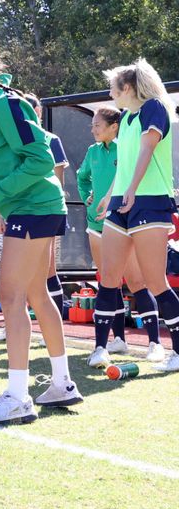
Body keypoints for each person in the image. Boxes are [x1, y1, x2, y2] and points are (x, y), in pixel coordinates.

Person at [0, 33, 82, 424]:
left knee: (10, 296)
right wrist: (2, 201)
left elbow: (41, 160)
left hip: (35, 206)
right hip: (29, 207)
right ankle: (62, 384)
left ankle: (17, 395)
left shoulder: (4, 103)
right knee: (36, 294)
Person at [93, 59, 179, 372]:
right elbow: (127, 161)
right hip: (121, 201)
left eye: (112, 87)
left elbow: (146, 151)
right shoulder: (127, 117)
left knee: (156, 282)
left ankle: (176, 350)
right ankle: (101, 348)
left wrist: (132, 188)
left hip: (150, 201)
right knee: (109, 278)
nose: (110, 93)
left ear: (127, 88)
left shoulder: (155, 107)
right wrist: (110, 195)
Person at [78, 107, 165, 363]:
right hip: (96, 225)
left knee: (138, 283)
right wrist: (88, 200)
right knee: (108, 281)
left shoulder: (126, 148)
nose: (92, 129)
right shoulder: (92, 152)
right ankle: (117, 341)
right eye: (92, 125)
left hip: (123, 223)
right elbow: (82, 179)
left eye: (97, 125)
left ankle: (154, 343)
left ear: (114, 126)